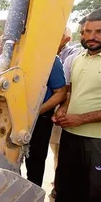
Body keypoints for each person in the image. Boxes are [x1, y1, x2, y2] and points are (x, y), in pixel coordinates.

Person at [52, 9, 101, 202]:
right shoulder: (77, 58)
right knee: (65, 190)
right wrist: (63, 109)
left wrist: (80, 118)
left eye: (98, 31)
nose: (91, 37)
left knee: (94, 198)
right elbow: (71, 91)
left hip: (96, 141)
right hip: (70, 135)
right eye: (87, 31)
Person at [24, 56, 67, 187]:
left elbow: (61, 93)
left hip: (39, 119)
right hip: (11, 118)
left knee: (35, 165)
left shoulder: (50, 58)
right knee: (9, 162)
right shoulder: (12, 54)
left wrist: (35, 114)